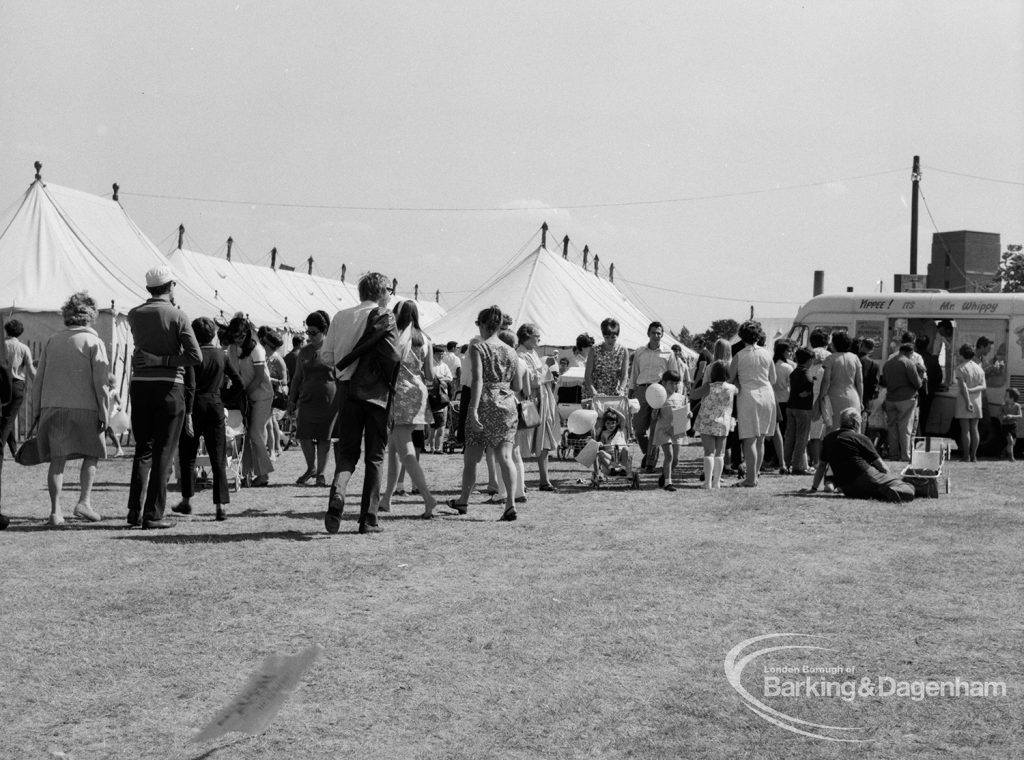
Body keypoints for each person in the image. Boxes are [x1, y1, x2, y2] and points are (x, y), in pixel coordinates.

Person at [321, 272, 398, 534]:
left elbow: (326, 357)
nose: (390, 294)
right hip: (377, 393)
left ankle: (338, 493)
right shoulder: (385, 316)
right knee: (375, 457)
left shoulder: (341, 316)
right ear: (381, 292)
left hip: (346, 390)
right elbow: (394, 357)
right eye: (389, 289)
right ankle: (368, 519)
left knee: (347, 453)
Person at [127, 265, 202, 529]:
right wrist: (165, 359)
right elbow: (195, 356)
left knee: (143, 449)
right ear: (170, 286)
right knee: (164, 452)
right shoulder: (178, 315)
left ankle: (134, 510)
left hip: (140, 385)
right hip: (170, 386)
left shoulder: (133, 314)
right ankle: (153, 514)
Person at [31, 292, 110, 525]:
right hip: (86, 408)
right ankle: (84, 502)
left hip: (53, 407)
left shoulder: (53, 340)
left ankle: (56, 512)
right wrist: (104, 412)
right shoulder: (95, 342)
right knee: (92, 454)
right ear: (91, 316)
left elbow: (39, 379)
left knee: (58, 460)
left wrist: (37, 410)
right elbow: (101, 383)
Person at [447, 306, 522, 521]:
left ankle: (463, 500)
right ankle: (510, 503)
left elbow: (477, 379)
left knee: (472, 459)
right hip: (507, 403)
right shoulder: (511, 350)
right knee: (506, 456)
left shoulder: (478, 347)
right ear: (499, 326)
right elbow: (517, 385)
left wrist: (472, 409)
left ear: (481, 324)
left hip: (484, 402)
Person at [174, 316, 241, 521]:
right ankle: (220, 506)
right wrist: (225, 398)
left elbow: (189, 385)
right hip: (215, 405)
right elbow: (239, 381)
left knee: (188, 456)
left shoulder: (192, 355)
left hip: (193, 406)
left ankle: (187, 501)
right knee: (217, 456)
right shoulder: (222, 355)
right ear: (213, 334)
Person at [378, 300, 439, 518]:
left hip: (399, 392)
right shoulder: (425, 339)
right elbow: (430, 374)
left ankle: (428, 498)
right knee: (395, 448)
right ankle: (386, 498)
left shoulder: (395, 336)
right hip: (418, 391)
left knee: (404, 449)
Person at [805, 408, 915, 502]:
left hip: (848, 488)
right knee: (909, 489)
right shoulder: (861, 439)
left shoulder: (828, 439)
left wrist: (813, 488)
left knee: (876, 489)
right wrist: (889, 478)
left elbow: (822, 466)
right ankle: (889, 490)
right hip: (866, 476)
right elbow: (882, 466)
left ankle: (882, 492)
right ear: (855, 423)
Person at [288, 311, 337, 487]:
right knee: (304, 435)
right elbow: (296, 378)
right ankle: (311, 468)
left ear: (324, 331)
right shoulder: (304, 352)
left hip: (329, 401)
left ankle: (322, 474)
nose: (310, 336)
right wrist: (291, 399)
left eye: (314, 333)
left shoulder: (333, 349)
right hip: (307, 399)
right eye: (308, 332)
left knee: (325, 438)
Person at [226, 316, 275, 487]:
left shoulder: (257, 349)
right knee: (245, 435)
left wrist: (245, 392)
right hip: (245, 396)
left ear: (247, 333)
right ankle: (246, 472)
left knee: (255, 433)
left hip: (262, 396)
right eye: (235, 336)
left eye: (241, 336)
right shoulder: (232, 349)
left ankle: (264, 474)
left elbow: (260, 376)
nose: (238, 339)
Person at [729, 321, 777, 487]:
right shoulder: (767, 354)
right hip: (767, 394)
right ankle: (754, 474)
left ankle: (750, 479)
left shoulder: (739, 356)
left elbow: (730, 379)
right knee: (761, 439)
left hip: (748, 396)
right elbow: (774, 379)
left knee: (749, 440)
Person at [629, 322, 680, 471]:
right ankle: (649, 453)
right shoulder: (639, 352)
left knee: (654, 427)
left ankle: (650, 462)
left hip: (660, 391)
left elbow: (674, 376)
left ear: (662, 335)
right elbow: (634, 374)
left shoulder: (668, 353)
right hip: (641, 389)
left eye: (659, 333)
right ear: (648, 334)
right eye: (653, 333)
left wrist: (675, 395)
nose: (656, 336)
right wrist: (630, 393)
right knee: (638, 428)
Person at [516, 323, 560, 492]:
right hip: (530, 401)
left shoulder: (532, 353)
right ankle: (520, 482)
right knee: (523, 440)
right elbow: (532, 381)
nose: (539, 338)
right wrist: (546, 366)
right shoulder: (520, 355)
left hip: (542, 400)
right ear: (527, 335)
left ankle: (544, 480)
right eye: (536, 335)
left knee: (544, 440)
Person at [690, 360, 738, 489]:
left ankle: (707, 482)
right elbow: (738, 390)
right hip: (724, 423)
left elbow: (693, 395)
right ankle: (717, 482)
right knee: (720, 453)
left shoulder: (708, 387)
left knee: (709, 452)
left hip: (707, 422)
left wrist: (697, 380)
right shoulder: (732, 388)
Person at [879, 340, 923, 463]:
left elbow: (885, 382)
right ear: (909, 352)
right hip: (906, 399)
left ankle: (893, 455)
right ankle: (905, 455)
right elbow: (917, 383)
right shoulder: (908, 363)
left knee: (892, 427)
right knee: (905, 428)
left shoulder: (888, 364)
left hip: (891, 399)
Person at [1, 318, 36, 457]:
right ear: (20, 332)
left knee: (6, 418)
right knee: (8, 418)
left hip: (1, 383)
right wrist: (38, 385)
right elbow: (31, 370)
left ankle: (14, 449)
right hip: (16, 385)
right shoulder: (23, 348)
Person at [818, 331, 863, 434]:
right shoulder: (855, 358)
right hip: (853, 396)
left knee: (835, 429)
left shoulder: (830, 358)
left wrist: (821, 397)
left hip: (835, 396)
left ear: (835, 344)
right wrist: (860, 400)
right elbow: (860, 382)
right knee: (854, 428)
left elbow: (826, 380)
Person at [650, 369, 684, 491]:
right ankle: (668, 483)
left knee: (675, 460)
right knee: (669, 456)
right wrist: (655, 410)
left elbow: (685, 412)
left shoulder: (681, 397)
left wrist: (688, 414)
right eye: (671, 383)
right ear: (663, 383)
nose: (674, 386)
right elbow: (654, 417)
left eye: (676, 383)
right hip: (663, 431)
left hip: (677, 431)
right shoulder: (660, 398)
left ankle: (664, 476)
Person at [784, 347, 815, 475]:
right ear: (809, 360)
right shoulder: (806, 373)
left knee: (790, 436)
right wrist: (809, 389)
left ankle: (786, 464)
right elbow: (808, 384)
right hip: (803, 409)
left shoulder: (794, 372)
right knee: (801, 438)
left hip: (791, 406)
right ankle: (797, 466)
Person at [953, 343, 986, 463]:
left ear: (962, 355)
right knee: (975, 428)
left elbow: (963, 387)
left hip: (964, 401)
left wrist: (968, 402)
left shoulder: (960, 368)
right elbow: (983, 386)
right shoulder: (979, 368)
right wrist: (972, 391)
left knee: (965, 430)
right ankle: (974, 456)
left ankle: (966, 456)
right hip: (977, 400)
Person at [583, 317, 629, 401]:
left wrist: (621, 390)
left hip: (614, 394)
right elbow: (587, 376)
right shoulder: (594, 349)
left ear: (617, 335)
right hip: (594, 392)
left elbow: (624, 375)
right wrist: (595, 393)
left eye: (613, 337)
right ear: (603, 335)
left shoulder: (623, 351)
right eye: (607, 337)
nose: (610, 340)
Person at [260, 329, 288, 459]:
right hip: (261, 392)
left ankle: (271, 451)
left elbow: (285, 381)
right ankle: (272, 450)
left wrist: (270, 379)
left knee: (267, 423)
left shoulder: (277, 359)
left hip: (271, 393)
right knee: (269, 423)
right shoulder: (262, 355)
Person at [768, 339, 794, 473]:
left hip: (773, 399)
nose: (791, 353)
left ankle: (773, 458)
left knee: (773, 431)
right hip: (785, 400)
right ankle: (782, 458)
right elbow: (791, 384)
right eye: (789, 351)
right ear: (784, 352)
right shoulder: (788, 367)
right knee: (783, 432)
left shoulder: (772, 365)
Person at [428, 344, 454, 453]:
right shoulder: (430, 365)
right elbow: (430, 378)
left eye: (443, 354)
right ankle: (432, 447)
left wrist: (440, 379)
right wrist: (441, 380)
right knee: (432, 423)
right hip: (433, 397)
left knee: (442, 422)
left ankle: (438, 448)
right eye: (439, 354)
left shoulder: (445, 366)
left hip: (443, 397)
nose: (441, 356)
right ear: (434, 354)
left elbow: (450, 378)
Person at [594, 407, 630, 482]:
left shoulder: (620, 429)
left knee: (626, 449)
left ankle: (623, 469)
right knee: (600, 453)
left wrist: (614, 411)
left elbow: (623, 418)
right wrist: (599, 443)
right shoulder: (603, 433)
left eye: (613, 423)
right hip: (610, 455)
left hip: (620, 454)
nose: (611, 425)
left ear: (616, 423)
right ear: (604, 424)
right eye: (608, 423)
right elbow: (601, 443)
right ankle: (611, 469)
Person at [915, 334, 941, 436]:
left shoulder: (911, 358)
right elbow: (939, 378)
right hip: (927, 393)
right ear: (927, 345)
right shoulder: (933, 359)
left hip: (912, 392)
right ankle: (921, 436)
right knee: (923, 416)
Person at [857, 337, 880, 432]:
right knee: (862, 425)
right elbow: (874, 385)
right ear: (872, 349)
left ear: (861, 346)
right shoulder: (874, 364)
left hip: (850, 394)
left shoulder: (853, 359)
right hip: (865, 399)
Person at [102, 373, 126, 457]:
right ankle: (102, 449)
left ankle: (119, 449)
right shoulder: (106, 391)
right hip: (107, 414)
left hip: (112, 415)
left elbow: (120, 402)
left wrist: (120, 406)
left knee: (111, 433)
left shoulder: (114, 392)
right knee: (105, 432)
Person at [999, 388, 1021, 462]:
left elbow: (1020, 416)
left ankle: (1004, 451)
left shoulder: (1017, 406)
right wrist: (1002, 417)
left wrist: (1012, 416)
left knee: (1012, 443)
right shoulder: (1003, 406)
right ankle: (1011, 457)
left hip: (1013, 426)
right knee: (1010, 441)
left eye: (1006, 396)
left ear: (1012, 398)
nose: (1004, 397)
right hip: (1005, 426)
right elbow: (999, 414)